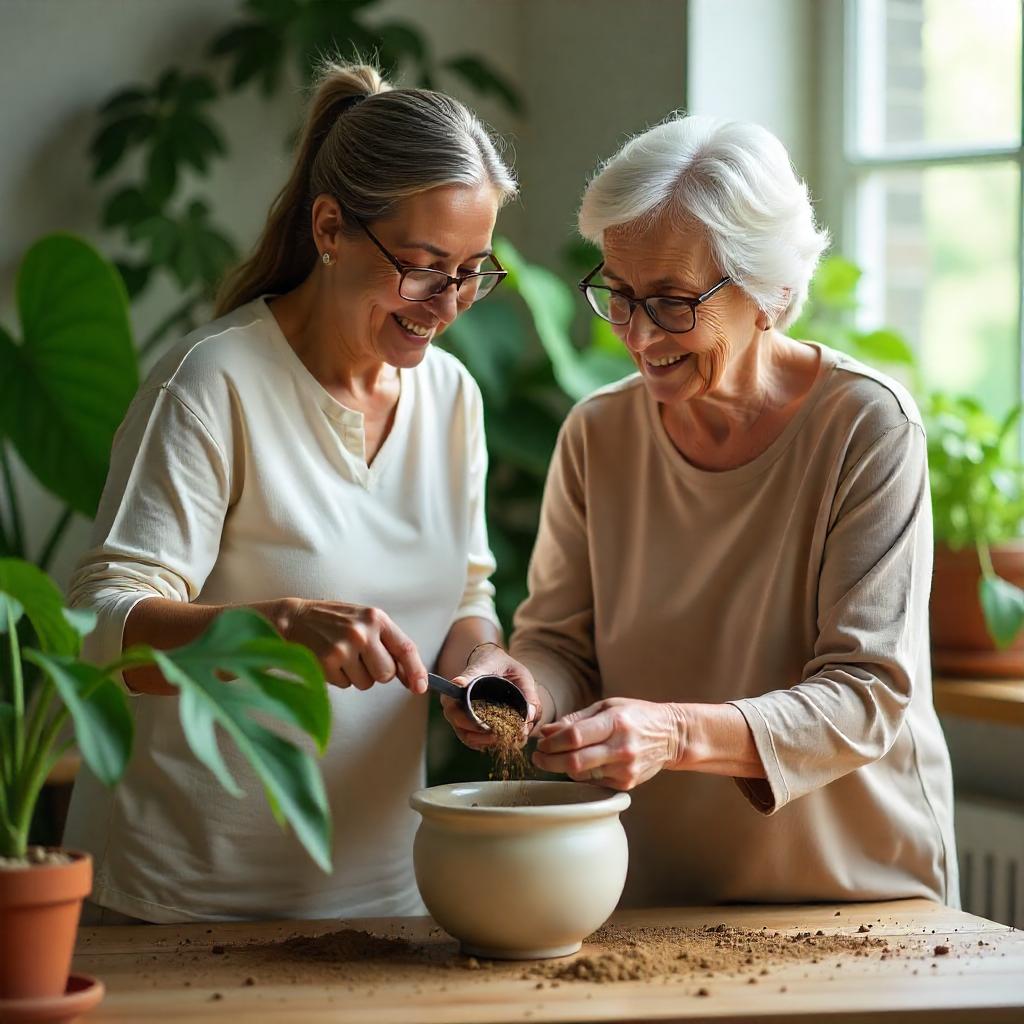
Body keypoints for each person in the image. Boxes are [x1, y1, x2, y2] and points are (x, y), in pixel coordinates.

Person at [445, 114, 958, 909]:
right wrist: (524, 689)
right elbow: (558, 647)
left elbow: (867, 693)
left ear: (769, 293)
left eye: (673, 301)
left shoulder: (867, 425)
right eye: (618, 293)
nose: (639, 334)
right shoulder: (598, 434)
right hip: (656, 898)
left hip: (856, 897)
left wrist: (675, 732)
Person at [64, 61, 521, 923]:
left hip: (385, 902)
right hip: (180, 910)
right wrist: (274, 629)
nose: (449, 303)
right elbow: (103, 628)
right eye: (424, 267)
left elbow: (467, 595)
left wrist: (482, 664)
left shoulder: (453, 395)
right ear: (330, 229)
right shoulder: (214, 383)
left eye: (472, 271)